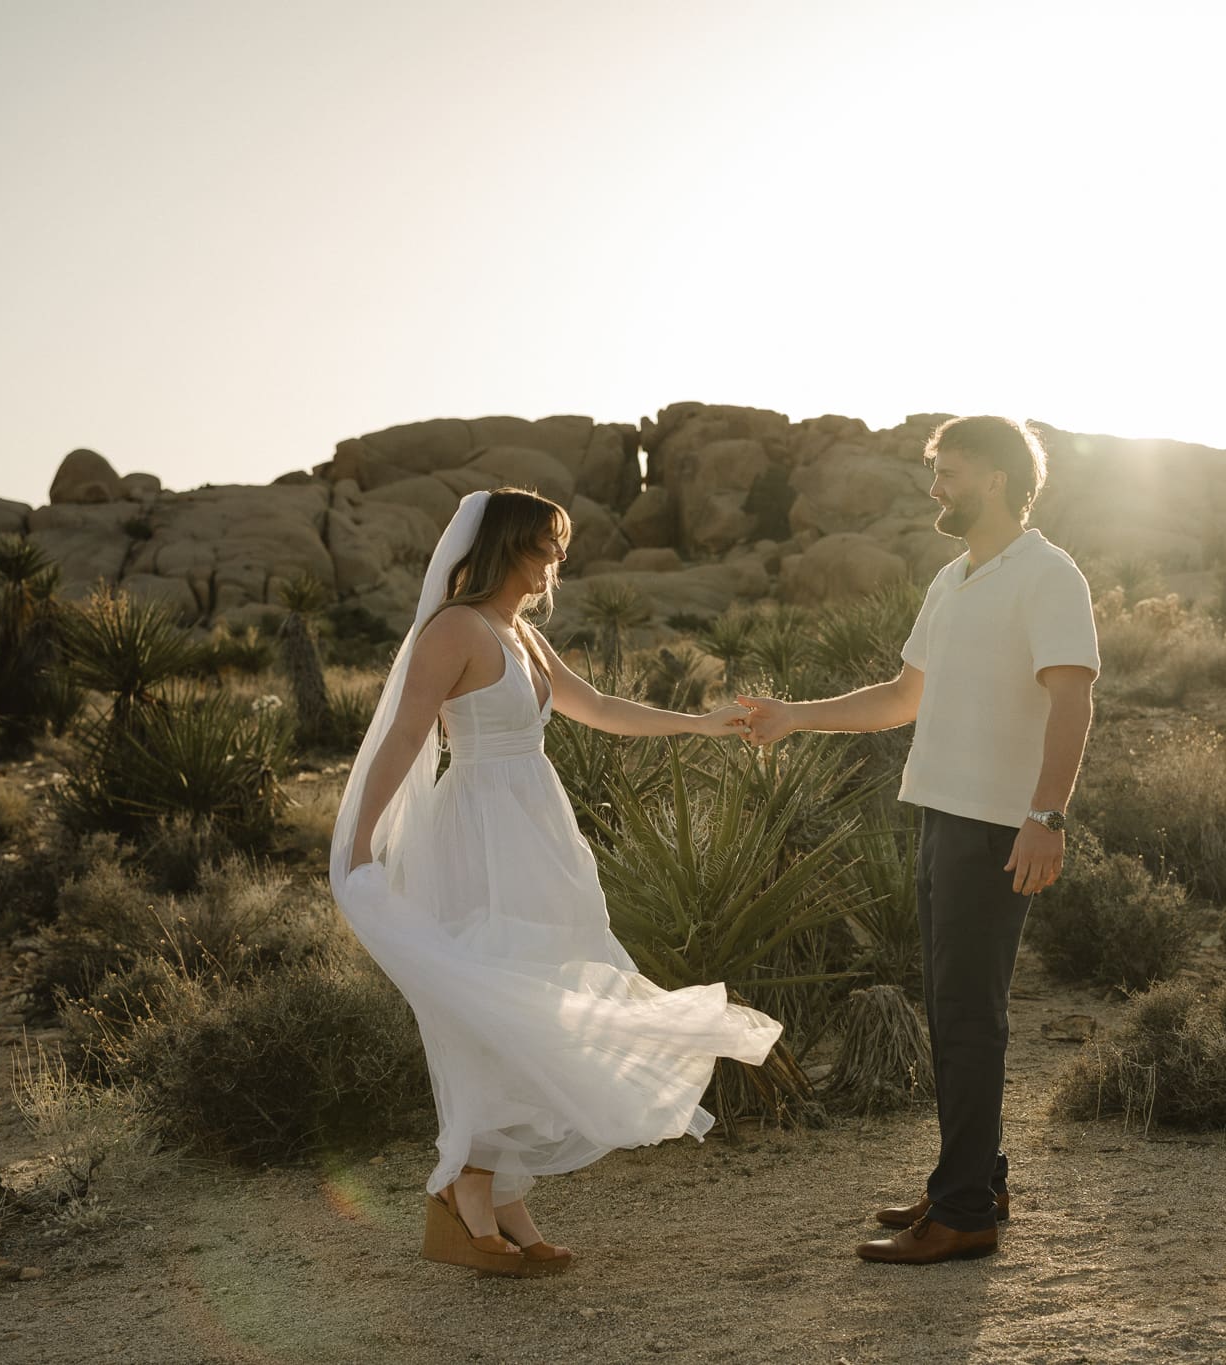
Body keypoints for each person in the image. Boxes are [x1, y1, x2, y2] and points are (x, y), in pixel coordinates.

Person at [331, 487, 781, 1279]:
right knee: (498, 1005)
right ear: (509, 546)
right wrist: (362, 841)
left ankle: (493, 1196)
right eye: (547, 546)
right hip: (480, 836)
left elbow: (599, 706)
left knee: (541, 997)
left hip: (538, 833)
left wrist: (701, 722)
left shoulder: (524, 637)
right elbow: (405, 733)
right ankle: (470, 1192)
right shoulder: (455, 629)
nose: (557, 562)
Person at [739, 416, 1099, 1265]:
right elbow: (903, 695)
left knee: (970, 1016)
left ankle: (965, 1210)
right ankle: (973, 1179)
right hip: (941, 817)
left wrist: (1046, 816)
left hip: (998, 827)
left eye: (952, 473)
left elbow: (1073, 699)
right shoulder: (954, 579)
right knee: (954, 1011)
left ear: (1000, 481)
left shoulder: (1048, 575)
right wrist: (797, 717)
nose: (936, 487)